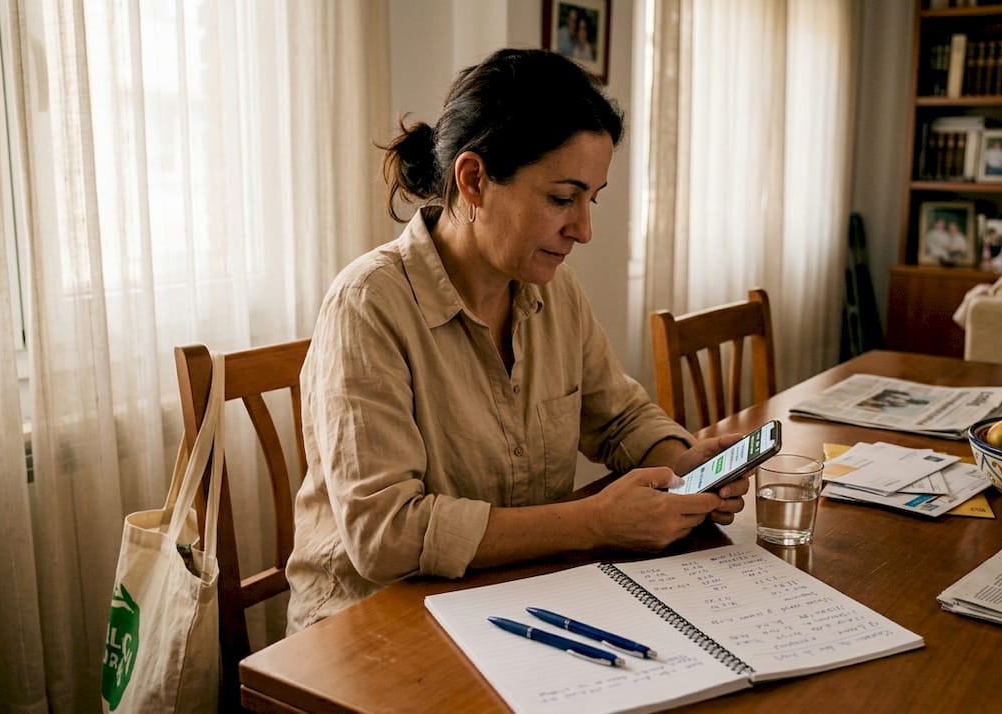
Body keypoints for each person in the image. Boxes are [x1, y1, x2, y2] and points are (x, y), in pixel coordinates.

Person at [285, 49, 747, 631]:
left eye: (591, 199)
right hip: (370, 628)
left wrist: (681, 466)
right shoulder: (368, 305)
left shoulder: (552, 292)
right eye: (562, 198)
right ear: (474, 179)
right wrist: (595, 521)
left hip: (509, 602)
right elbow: (387, 536)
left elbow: (620, 418)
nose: (583, 229)